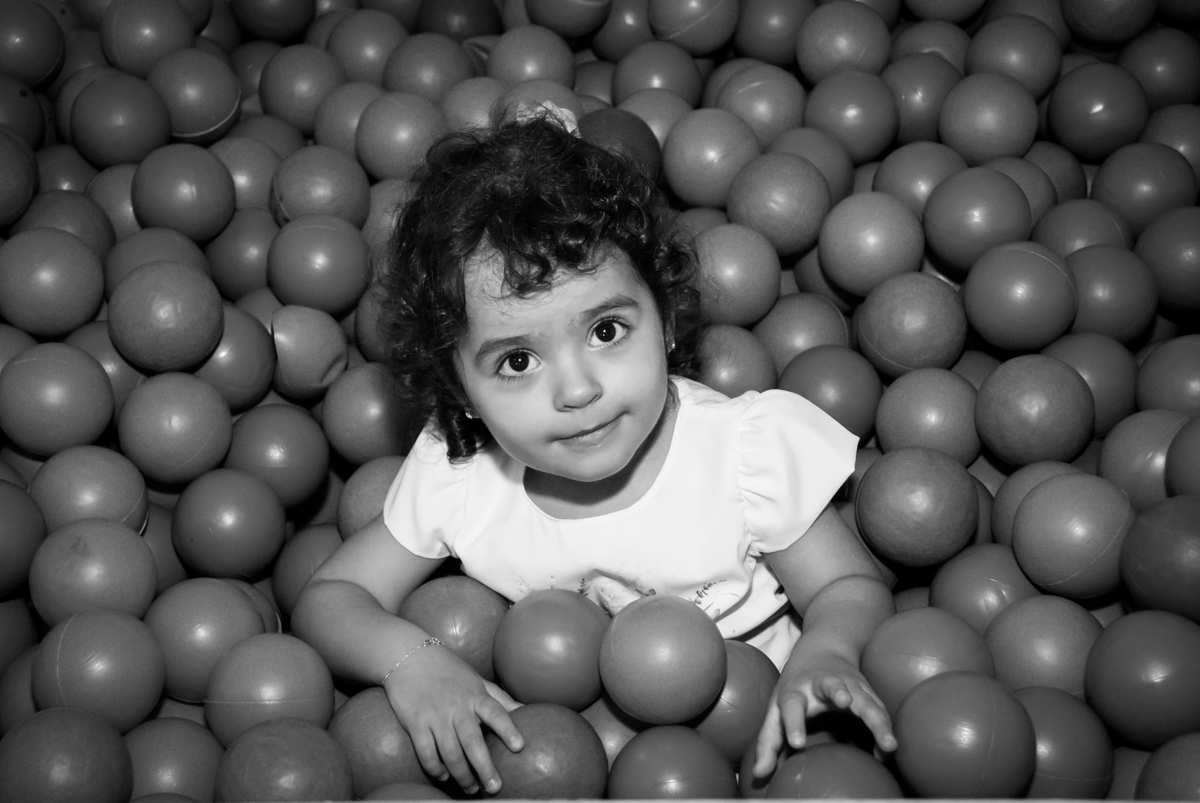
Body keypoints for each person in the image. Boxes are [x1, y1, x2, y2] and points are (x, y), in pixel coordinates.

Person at [291, 114, 896, 795]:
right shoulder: (462, 477)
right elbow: (333, 597)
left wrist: (828, 652)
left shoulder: (743, 454)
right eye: (518, 360)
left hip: (773, 740)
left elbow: (849, 586)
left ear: (665, 319)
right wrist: (411, 660)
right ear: (458, 390)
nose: (577, 388)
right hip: (562, 761)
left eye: (607, 329)